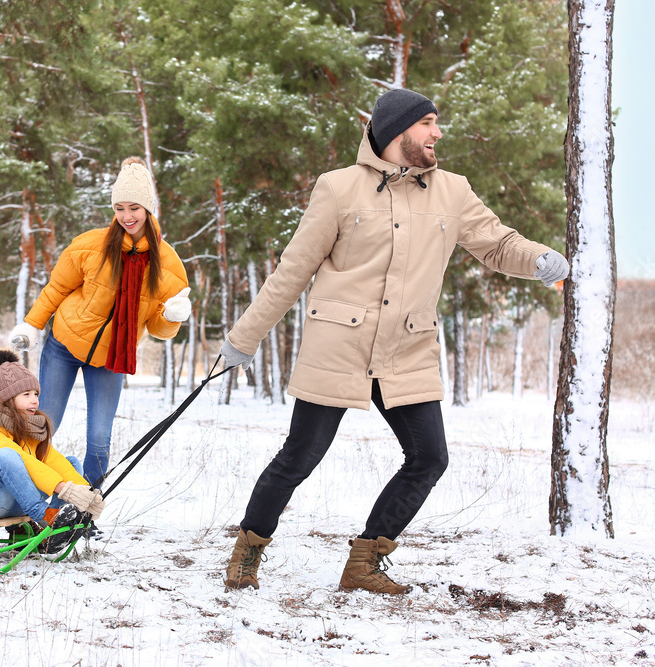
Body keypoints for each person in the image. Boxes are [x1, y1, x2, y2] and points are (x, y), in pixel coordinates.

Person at [218, 88, 570, 594]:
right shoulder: (338, 189)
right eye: (428, 122)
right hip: (340, 345)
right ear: (397, 130)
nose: (437, 132)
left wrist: (536, 259)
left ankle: (364, 562)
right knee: (300, 455)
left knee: (430, 457)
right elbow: (294, 270)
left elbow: (497, 244)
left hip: (407, 348)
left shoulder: (452, 190)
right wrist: (244, 338)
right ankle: (247, 553)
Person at [9, 156, 190, 490]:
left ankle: (86, 511)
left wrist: (171, 317)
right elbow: (58, 288)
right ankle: (26, 503)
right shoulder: (91, 245)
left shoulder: (167, 263)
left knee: (99, 440)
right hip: (63, 345)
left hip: (112, 357)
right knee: (42, 426)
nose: (126, 216)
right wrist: (32, 325)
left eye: (134, 207)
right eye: (119, 208)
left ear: (148, 209)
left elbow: (158, 329)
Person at [0, 348, 105, 553]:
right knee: (7, 456)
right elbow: (23, 460)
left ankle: (56, 527)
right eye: (27, 394)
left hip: (21, 496)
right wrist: (64, 489)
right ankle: (46, 518)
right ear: (7, 397)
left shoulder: (27, 423)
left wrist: (86, 493)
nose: (35, 401)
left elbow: (50, 458)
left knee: (71, 462)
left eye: (36, 394)